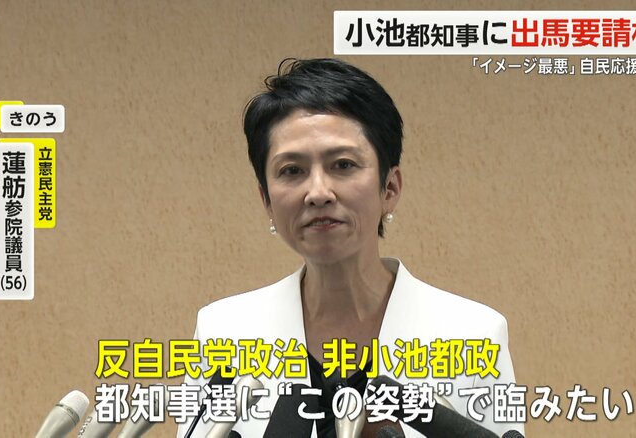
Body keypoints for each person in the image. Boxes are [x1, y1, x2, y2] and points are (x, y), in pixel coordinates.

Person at [178, 58, 524, 438]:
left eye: (342, 165)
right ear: (267, 200)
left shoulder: (474, 334)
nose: (318, 192)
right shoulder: (223, 332)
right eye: (292, 171)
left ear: (389, 188)